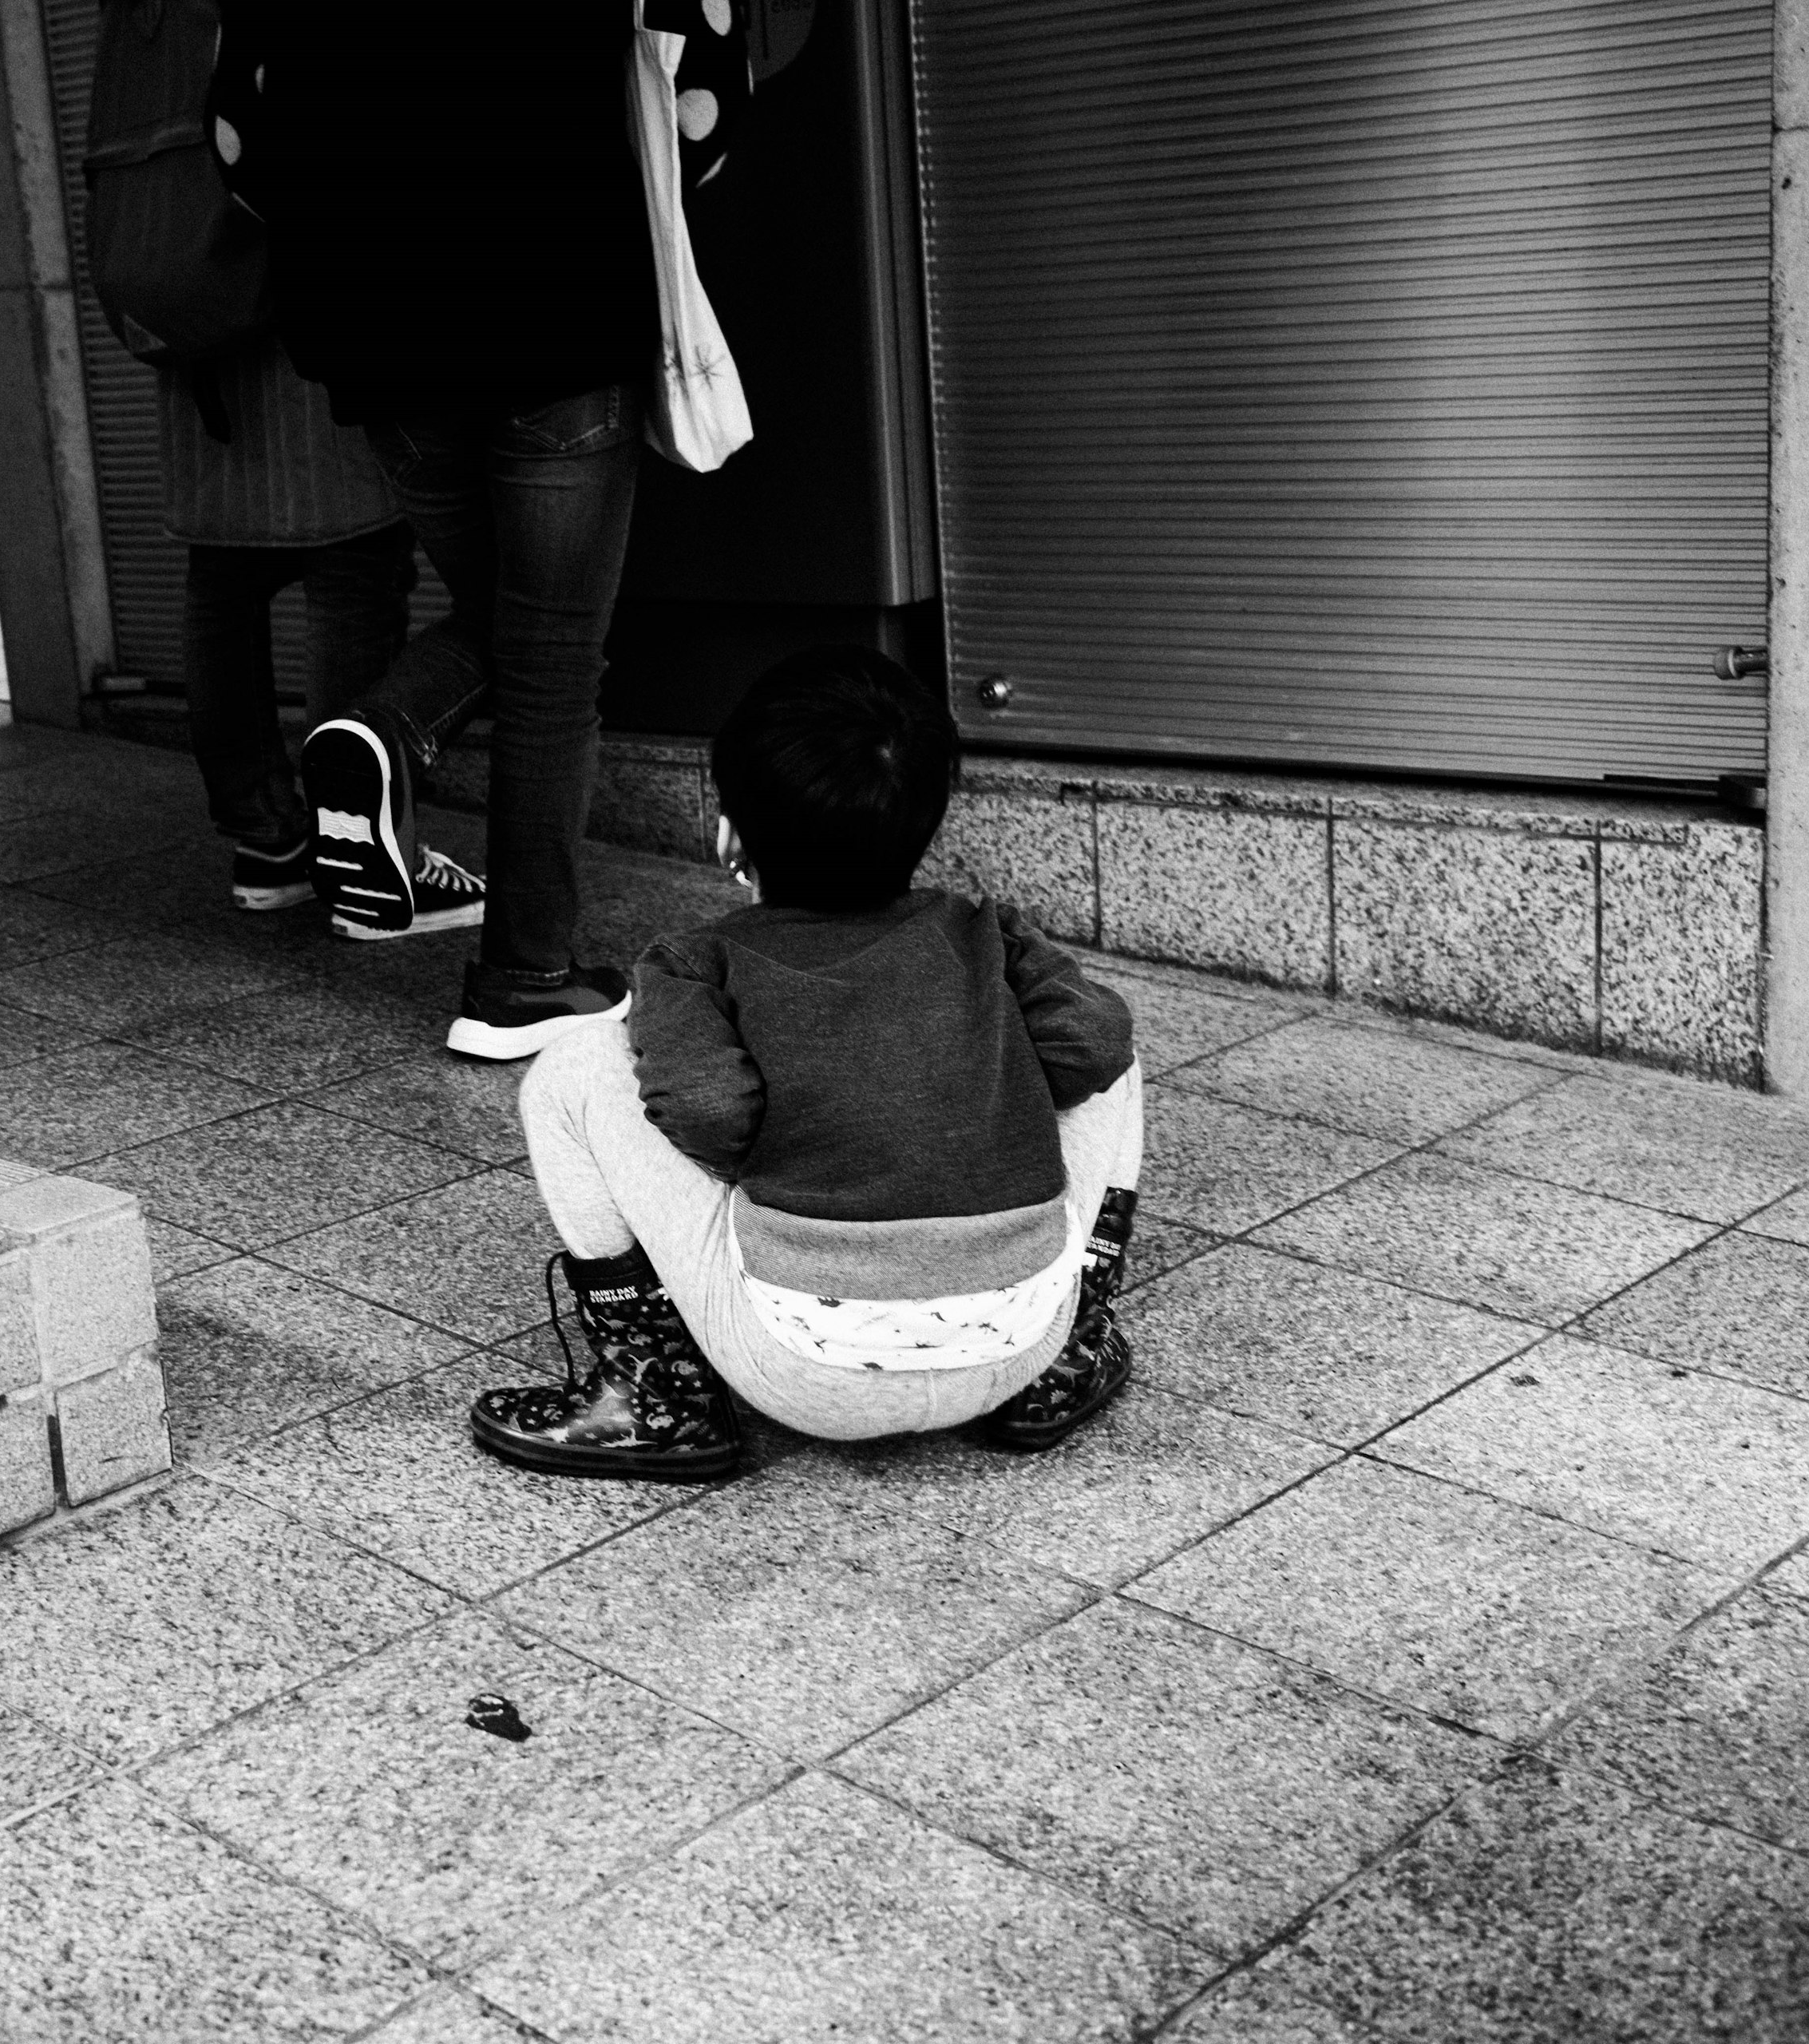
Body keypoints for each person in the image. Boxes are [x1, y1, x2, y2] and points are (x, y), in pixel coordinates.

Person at [207, 0, 752, 1056]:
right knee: (550, 654)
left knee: (512, 620)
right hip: (559, 305)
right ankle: (524, 976)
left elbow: (241, 142)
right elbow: (702, 112)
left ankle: (385, 733)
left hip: (381, 339)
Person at [468, 645, 1145, 1478]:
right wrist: (969, 1095)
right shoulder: (984, 932)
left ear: (729, 831)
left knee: (572, 1067)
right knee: (1108, 1035)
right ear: (928, 823)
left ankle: (657, 1397)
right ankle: (1076, 1349)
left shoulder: (694, 960)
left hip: (801, 1372)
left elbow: (712, 1111)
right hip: (1021, 1348)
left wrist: (804, 1140)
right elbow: (1091, 1048)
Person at [160, 338, 433, 919]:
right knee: (355, 579)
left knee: (221, 591)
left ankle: (267, 842)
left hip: (203, 380)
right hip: (314, 373)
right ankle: (359, 854)